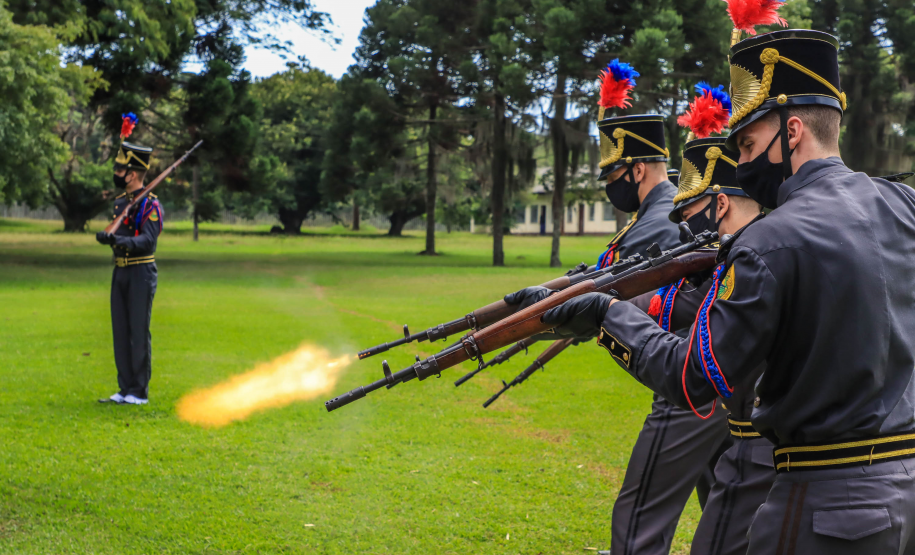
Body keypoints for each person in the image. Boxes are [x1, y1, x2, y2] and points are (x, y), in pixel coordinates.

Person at [542, 29, 915, 554]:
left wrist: (608, 315)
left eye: (748, 145)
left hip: (822, 504)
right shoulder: (904, 206)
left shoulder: (770, 238)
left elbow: (693, 378)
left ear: (791, 131)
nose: (740, 164)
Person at [508, 108, 730, 555]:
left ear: (638, 169)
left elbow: (621, 296)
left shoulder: (660, 218)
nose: (612, 185)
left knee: (640, 519)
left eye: (614, 175)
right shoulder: (658, 213)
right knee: (723, 511)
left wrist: (564, 311)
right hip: (715, 377)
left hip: (689, 381)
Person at [628, 136, 775, 555]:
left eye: (690, 215)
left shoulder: (750, 257)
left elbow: (688, 319)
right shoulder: (752, 248)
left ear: (720, 204)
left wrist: (607, 312)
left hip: (752, 434)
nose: (684, 228)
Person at [96, 140, 162, 405]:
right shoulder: (121, 203)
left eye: (120, 169)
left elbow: (148, 241)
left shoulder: (151, 205)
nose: (117, 173)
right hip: (120, 272)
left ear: (132, 174)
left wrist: (119, 241)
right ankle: (124, 388)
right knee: (121, 331)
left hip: (140, 272)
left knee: (138, 330)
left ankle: (139, 390)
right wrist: (108, 238)